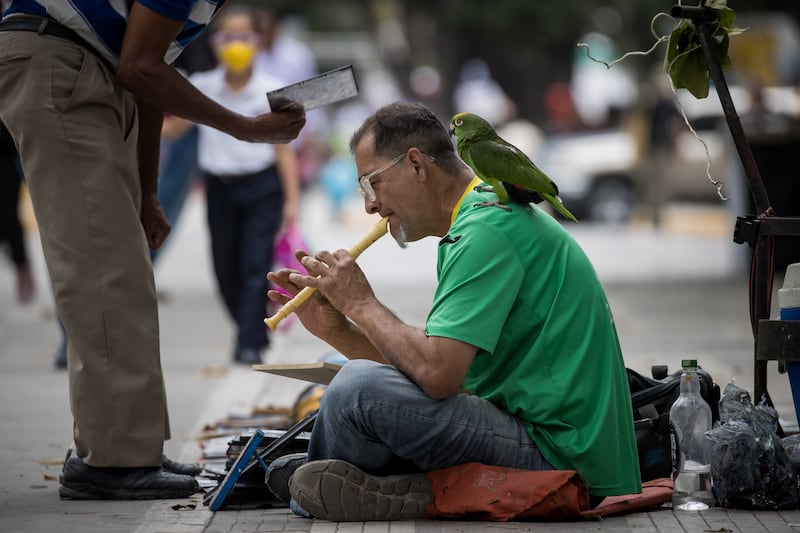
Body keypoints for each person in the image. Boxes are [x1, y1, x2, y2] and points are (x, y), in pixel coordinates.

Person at [266, 102, 641, 521]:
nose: (371, 206)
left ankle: (324, 489)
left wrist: (361, 302)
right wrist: (339, 330)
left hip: (560, 456)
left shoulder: (485, 233)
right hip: (540, 434)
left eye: (372, 185)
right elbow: (437, 375)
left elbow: (438, 377)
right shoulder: (479, 214)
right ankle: (381, 485)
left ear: (415, 165)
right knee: (351, 377)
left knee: (355, 390)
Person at [0, 0, 305, 501]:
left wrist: (147, 192)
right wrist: (245, 128)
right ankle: (114, 460)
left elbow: (143, 74)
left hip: (91, 67)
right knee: (105, 271)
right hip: (60, 60)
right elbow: (139, 67)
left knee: (124, 270)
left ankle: (121, 447)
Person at [168, 5, 302, 365]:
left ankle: (247, 343)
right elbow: (171, 129)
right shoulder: (202, 87)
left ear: (258, 42)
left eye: (244, 36)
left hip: (263, 189)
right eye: (229, 36)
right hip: (220, 189)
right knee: (224, 267)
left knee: (254, 264)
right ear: (214, 42)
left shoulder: (271, 89)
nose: (236, 44)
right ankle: (252, 329)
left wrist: (292, 200)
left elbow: (283, 150)